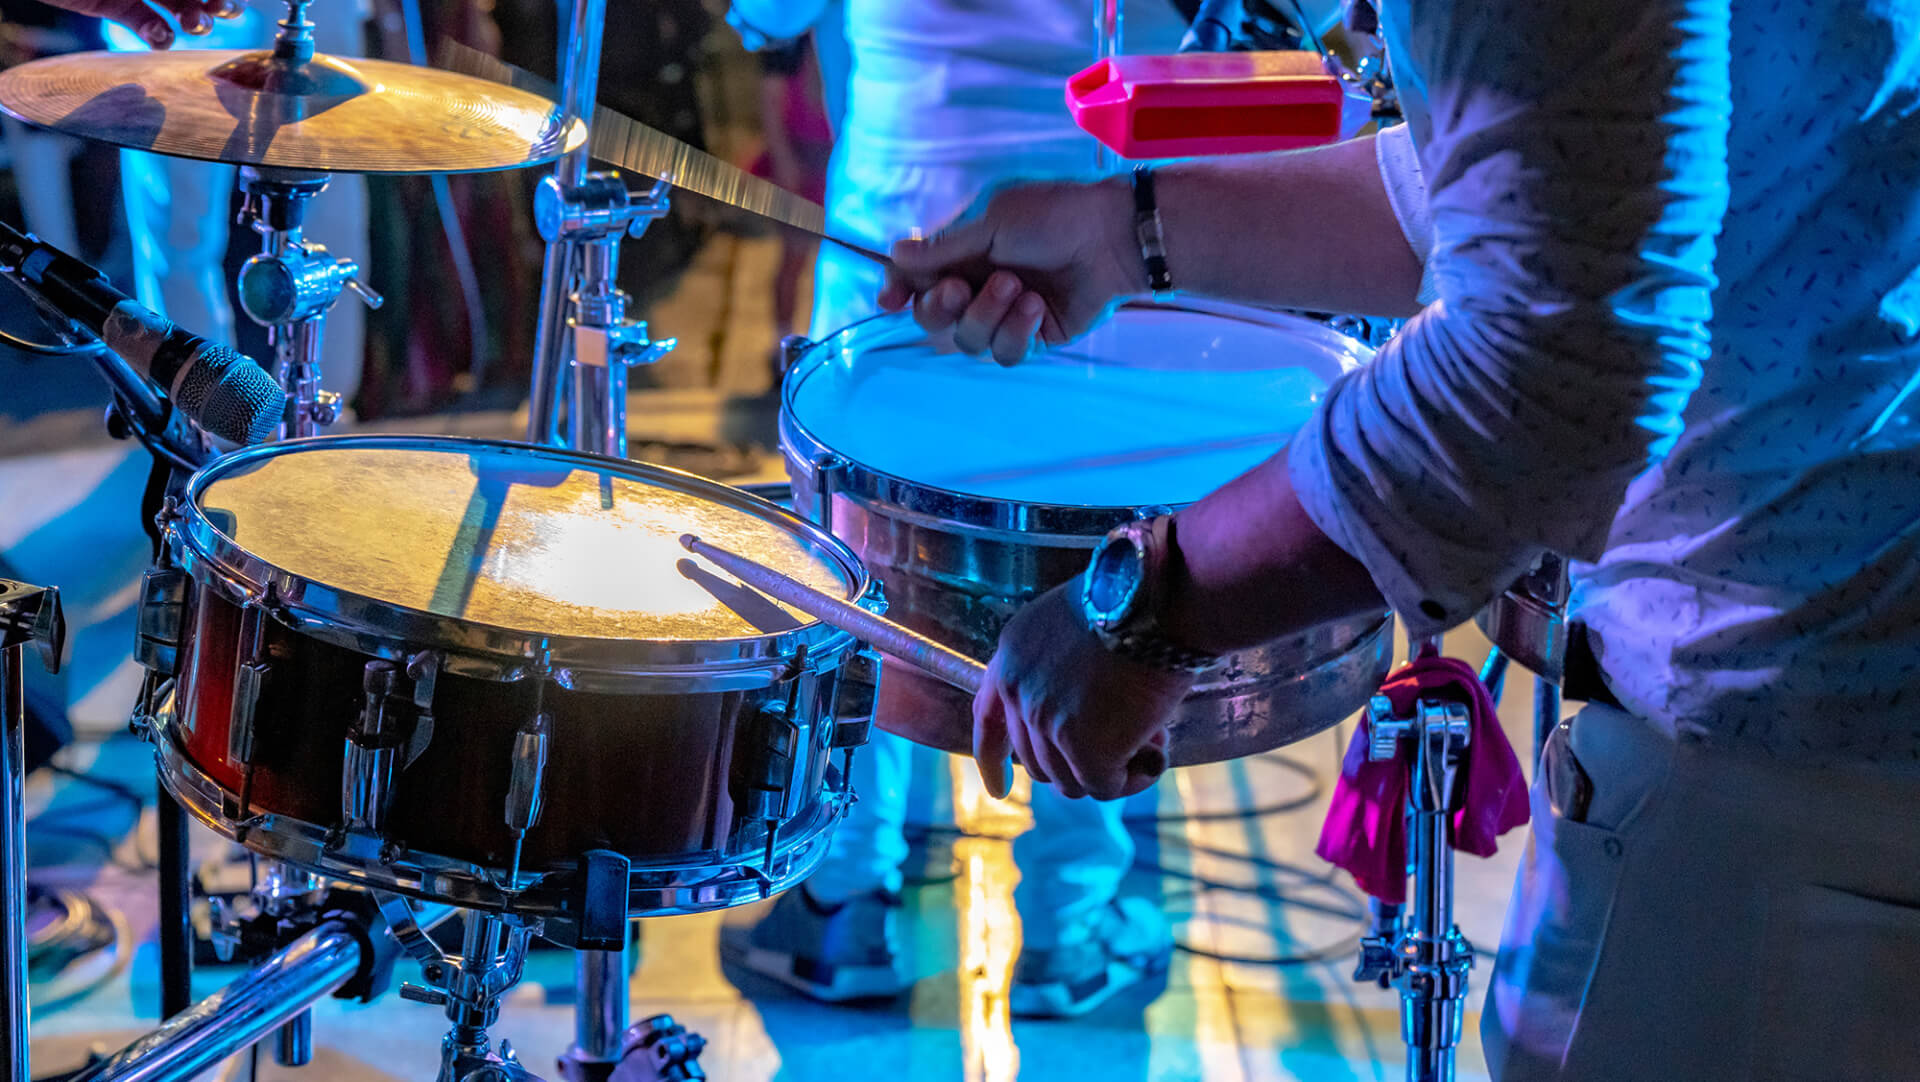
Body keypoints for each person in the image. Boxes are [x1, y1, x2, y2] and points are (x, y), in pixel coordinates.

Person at [883, 0, 1920, 1076]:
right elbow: (1547, 176)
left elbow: (1546, 377)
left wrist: (1148, 603)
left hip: (1786, 768)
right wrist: (1122, 232)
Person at [725, 0, 1198, 1018]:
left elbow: (767, 17)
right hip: (1103, 244)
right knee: (1102, 577)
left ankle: (843, 898)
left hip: (900, 240)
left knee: (870, 582)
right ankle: (1072, 932)